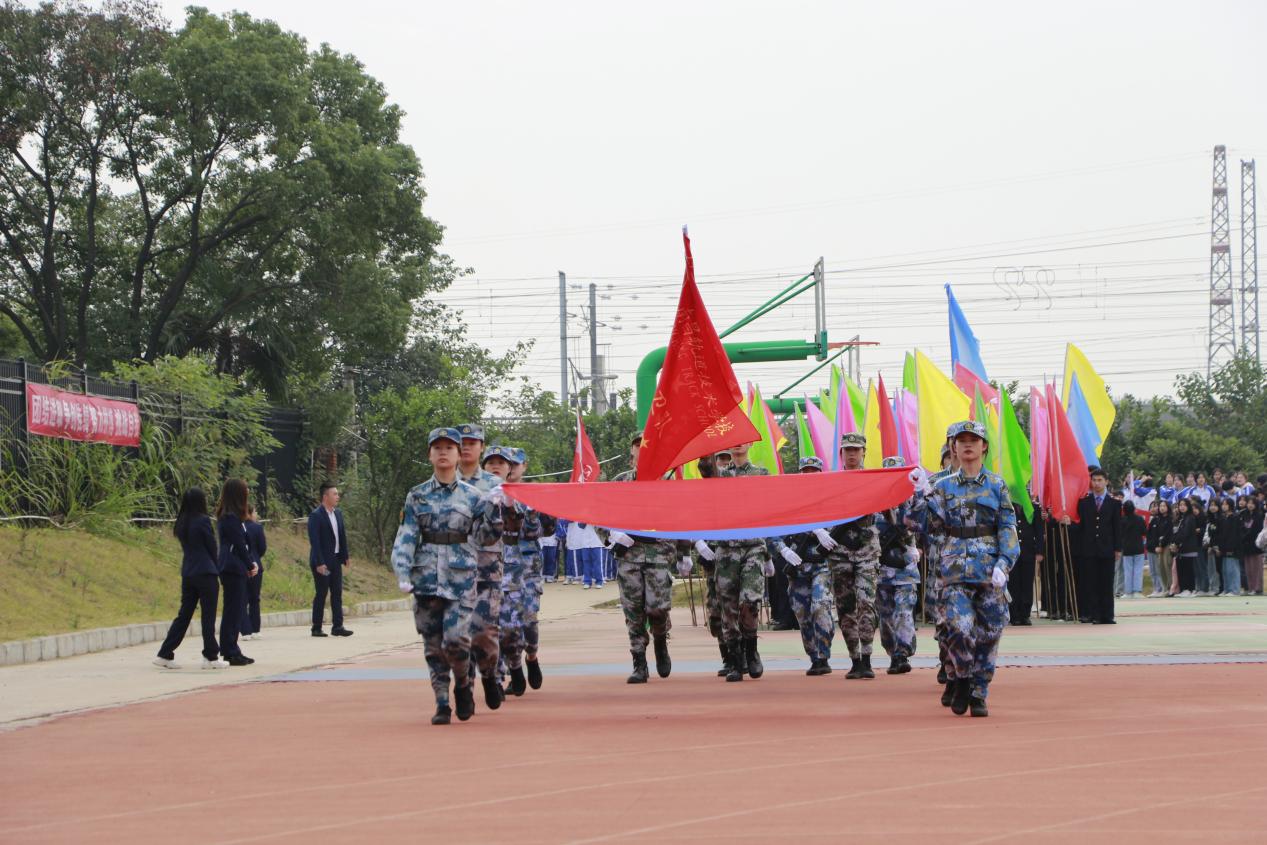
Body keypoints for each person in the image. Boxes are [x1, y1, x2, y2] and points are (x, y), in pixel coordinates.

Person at [392, 427, 504, 724]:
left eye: (449, 448)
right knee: (433, 644)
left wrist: (494, 510)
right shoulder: (417, 496)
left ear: (457, 455)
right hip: (425, 578)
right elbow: (406, 535)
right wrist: (402, 570)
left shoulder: (474, 496)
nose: (443, 452)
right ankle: (442, 701)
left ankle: (464, 683)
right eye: (437, 448)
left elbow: (487, 537)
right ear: (430, 454)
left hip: (460, 578)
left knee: (456, 640)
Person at [920, 420, 1018, 717]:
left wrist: (1005, 562)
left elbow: (1008, 527)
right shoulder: (942, 486)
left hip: (989, 571)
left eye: (973, 440)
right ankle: (960, 676)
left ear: (984, 446)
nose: (967, 445)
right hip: (954, 570)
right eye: (961, 440)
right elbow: (924, 527)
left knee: (989, 632)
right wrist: (918, 496)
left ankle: (979, 692)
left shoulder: (997, 485)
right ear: (954, 447)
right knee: (958, 628)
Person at [610, 430, 686, 683]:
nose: (641, 450)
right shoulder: (619, 482)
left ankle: (661, 640)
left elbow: (680, 519)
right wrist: (611, 537)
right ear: (631, 452)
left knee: (657, 608)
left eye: (646, 446)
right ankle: (639, 662)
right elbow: (601, 514)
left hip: (659, 554)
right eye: (637, 446)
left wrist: (684, 552)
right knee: (633, 611)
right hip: (629, 556)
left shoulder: (667, 484)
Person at [818, 432, 881, 680]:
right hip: (840, 553)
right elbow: (820, 509)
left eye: (856, 449)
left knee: (866, 604)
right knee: (845, 608)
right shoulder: (833, 482)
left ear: (864, 451)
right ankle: (854, 658)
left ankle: (867, 656)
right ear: (841, 453)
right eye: (847, 449)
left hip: (866, 553)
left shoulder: (873, 480)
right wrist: (820, 532)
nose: (852, 454)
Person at [712, 440, 772, 682]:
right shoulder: (720, 477)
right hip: (726, 550)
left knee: (749, 602)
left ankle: (752, 649)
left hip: (753, 548)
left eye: (741, 441)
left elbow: (772, 509)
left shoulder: (761, 474)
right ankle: (736, 661)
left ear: (749, 444)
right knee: (729, 608)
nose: (737, 445)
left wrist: (768, 554)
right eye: (733, 441)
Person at [454, 422, 506, 692]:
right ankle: (465, 686)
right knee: (459, 632)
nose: (466, 448)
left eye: (472, 443)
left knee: (484, 631)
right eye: (461, 443)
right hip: (454, 567)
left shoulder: (494, 484)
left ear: (481, 447)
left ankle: (489, 673)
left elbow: (504, 526)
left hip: (487, 568)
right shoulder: (445, 479)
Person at [154, 487, 227, 670]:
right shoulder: (203, 521)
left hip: (188, 572)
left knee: (184, 615)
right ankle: (210, 656)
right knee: (208, 615)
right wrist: (218, 568)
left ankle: (165, 653)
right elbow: (211, 546)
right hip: (206, 572)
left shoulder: (181, 522)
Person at [780, 456, 836, 675]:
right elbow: (776, 530)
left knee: (820, 606)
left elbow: (838, 533)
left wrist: (821, 530)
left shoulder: (830, 502)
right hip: (797, 566)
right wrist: (783, 550)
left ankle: (824, 655)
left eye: (814, 471)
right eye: (805, 471)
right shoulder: (790, 504)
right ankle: (814, 657)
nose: (809, 475)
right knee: (802, 612)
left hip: (821, 565)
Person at [874, 456, 922, 674]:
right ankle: (893, 650)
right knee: (885, 616)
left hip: (905, 567)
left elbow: (926, 523)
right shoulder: (874, 502)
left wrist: (917, 547)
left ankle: (901, 654)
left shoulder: (912, 501)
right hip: (881, 567)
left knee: (903, 611)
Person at [509, 448, 547, 690]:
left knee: (528, 621)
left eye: (515, 463)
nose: (510, 468)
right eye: (505, 463)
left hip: (527, 568)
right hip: (498, 568)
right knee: (505, 624)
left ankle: (531, 656)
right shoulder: (489, 495)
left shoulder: (534, 495)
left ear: (525, 466)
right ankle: (512, 670)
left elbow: (549, 528)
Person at [1064, 469, 1121, 624]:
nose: (1096, 483)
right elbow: (1081, 526)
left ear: (1106, 482)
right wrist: (1070, 524)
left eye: (1100, 480)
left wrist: (1118, 549)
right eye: (1094, 480)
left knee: (1106, 583)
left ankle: (1107, 615)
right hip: (1089, 549)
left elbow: (1117, 528)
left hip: (1107, 548)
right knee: (1091, 583)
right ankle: (1094, 614)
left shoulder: (1114, 503)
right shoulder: (1084, 502)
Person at [216, 478, 259, 665]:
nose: (248, 492)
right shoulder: (230, 518)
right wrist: (251, 564)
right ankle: (229, 650)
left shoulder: (235, 517)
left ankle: (232, 648)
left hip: (236, 567)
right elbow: (239, 545)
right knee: (233, 609)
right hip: (232, 567)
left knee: (235, 608)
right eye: (245, 489)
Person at [308, 481, 351, 637]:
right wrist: (319, 563)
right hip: (323, 563)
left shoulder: (337, 513)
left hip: (335, 560)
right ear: (325, 496)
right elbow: (315, 541)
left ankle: (338, 626)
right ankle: (316, 627)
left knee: (337, 592)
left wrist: (345, 555)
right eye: (334, 494)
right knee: (322, 592)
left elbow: (342, 536)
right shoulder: (316, 515)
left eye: (337, 494)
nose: (337, 496)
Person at [1009, 495, 1045, 625]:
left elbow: (1039, 531)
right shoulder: (1006, 505)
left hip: (1028, 550)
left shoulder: (1033, 507)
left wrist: (1040, 551)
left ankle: (1025, 614)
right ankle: (1014, 615)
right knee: (1013, 583)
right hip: (1011, 551)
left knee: (1027, 583)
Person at [240, 505, 267, 640]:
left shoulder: (238, 526)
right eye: (255, 511)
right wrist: (255, 557)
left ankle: (245, 631)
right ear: (250, 513)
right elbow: (262, 548)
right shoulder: (257, 528)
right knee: (254, 598)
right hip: (256, 564)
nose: (256, 514)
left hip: (241, 565)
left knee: (242, 598)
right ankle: (255, 629)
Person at [1211, 497, 1244, 596]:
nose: (1224, 506)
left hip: (1233, 548)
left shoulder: (1235, 517)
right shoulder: (1222, 518)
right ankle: (1227, 589)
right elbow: (1220, 534)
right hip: (1223, 547)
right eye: (1223, 504)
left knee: (1232, 569)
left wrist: (1231, 547)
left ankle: (1235, 589)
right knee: (1225, 569)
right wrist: (1219, 547)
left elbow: (1234, 534)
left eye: (1226, 504)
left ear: (1230, 505)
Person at [1170, 498, 1200, 595]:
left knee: (1188, 570)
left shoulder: (1190, 518)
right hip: (1181, 549)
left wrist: (1177, 543)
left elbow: (1185, 533)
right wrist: (1174, 543)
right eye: (1180, 505)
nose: (1182, 507)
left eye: (1184, 505)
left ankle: (1190, 589)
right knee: (1181, 569)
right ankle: (1183, 589)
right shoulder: (1181, 518)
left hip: (1188, 547)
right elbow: (1177, 532)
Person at [1119, 502, 1147, 598]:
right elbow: (1144, 531)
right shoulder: (1139, 519)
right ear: (1134, 508)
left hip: (1126, 548)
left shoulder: (1122, 520)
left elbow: (1120, 534)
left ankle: (1128, 592)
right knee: (1138, 570)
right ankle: (1137, 591)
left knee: (1128, 570)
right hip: (1138, 547)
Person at [1147, 500, 1174, 597]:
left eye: (1164, 506)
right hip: (1158, 546)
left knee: (1167, 566)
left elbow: (1168, 534)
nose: (1161, 508)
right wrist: (1156, 546)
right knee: (1161, 568)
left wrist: (1161, 545)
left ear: (1168, 507)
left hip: (1166, 546)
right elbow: (1154, 534)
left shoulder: (1170, 519)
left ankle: (1171, 587)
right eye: (1161, 506)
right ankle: (1165, 588)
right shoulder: (1158, 519)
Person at [1240, 497, 1264, 595]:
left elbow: (1257, 530)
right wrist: (1243, 537)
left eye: (1252, 503)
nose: (1250, 505)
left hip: (1256, 545)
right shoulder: (1244, 514)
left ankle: (1257, 588)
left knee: (1256, 567)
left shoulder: (1259, 515)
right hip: (1246, 545)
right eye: (1248, 503)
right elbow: (1241, 528)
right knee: (1248, 568)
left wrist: (1247, 535)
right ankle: (1250, 588)